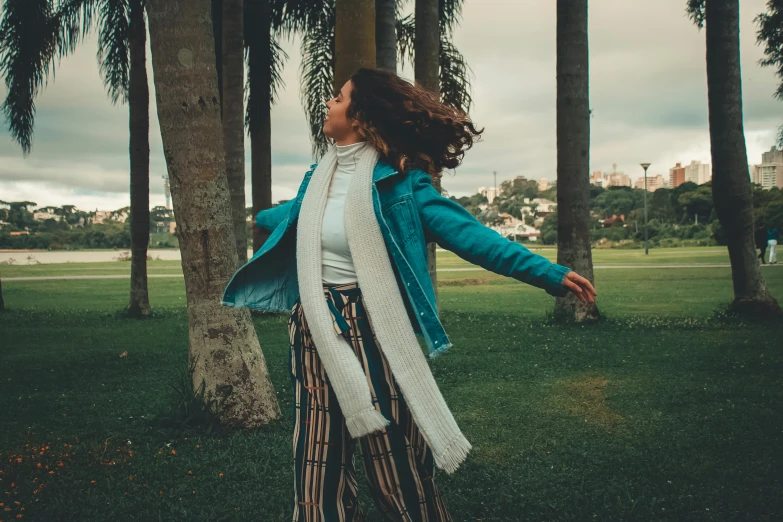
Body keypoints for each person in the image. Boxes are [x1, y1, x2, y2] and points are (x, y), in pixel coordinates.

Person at [222, 68, 596, 522]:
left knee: (393, 457)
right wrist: (259, 215)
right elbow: (296, 215)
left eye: (338, 98)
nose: (328, 103)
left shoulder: (403, 187)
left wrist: (550, 274)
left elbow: (472, 237)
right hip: (313, 323)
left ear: (360, 117)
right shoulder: (316, 180)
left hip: (374, 326)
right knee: (316, 454)